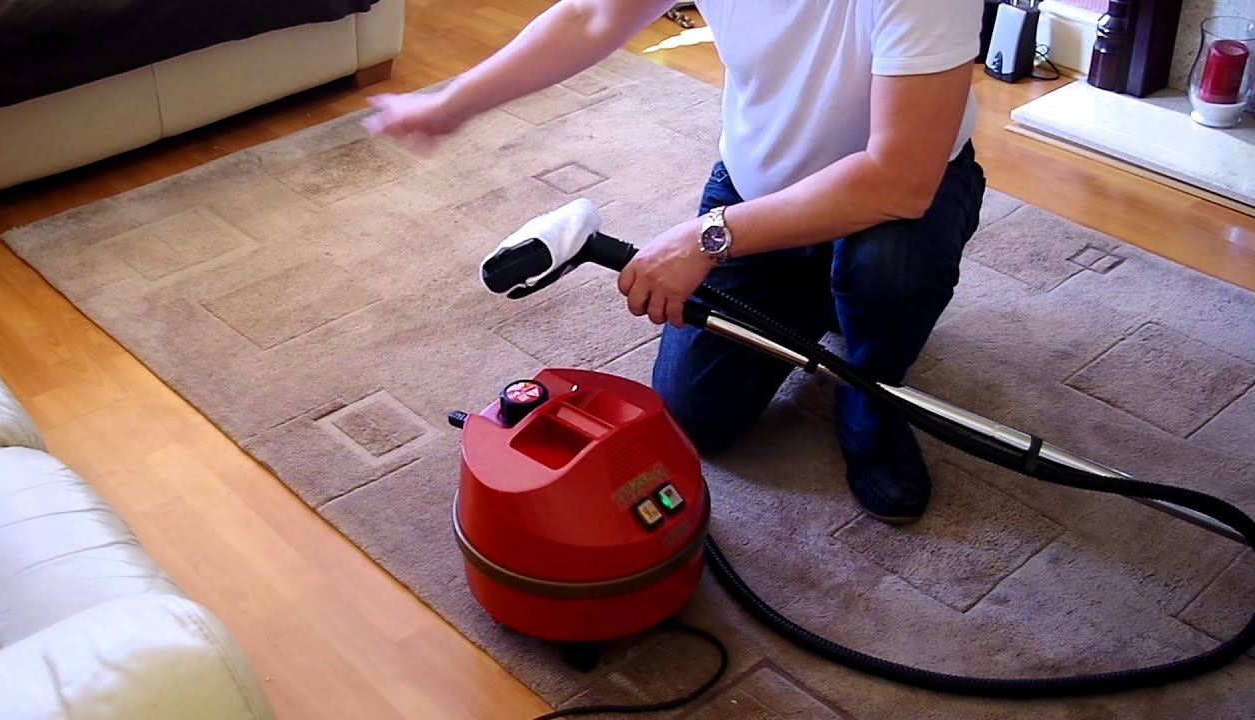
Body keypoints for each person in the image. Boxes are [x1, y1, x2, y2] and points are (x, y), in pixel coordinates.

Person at [362, 0, 987, 524]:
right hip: (758, 189)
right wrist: (451, 103)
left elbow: (900, 179)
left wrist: (707, 238)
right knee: (695, 416)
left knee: (890, 272)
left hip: (897, 206)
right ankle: (822, 298)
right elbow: (591, 15)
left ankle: (872, 393)